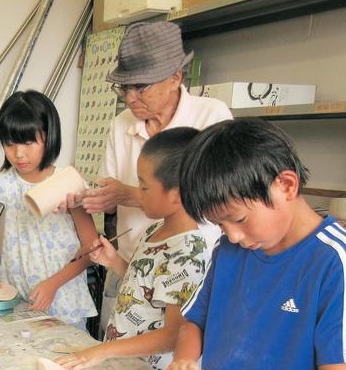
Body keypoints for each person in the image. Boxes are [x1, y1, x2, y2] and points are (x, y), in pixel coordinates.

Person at [165, 119, 346, 370]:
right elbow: (193, 323)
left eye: (240, 219)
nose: (231, 235)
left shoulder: (338, 260)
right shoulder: (230, 252)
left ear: (286, 186)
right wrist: (185, 363)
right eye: (219, 225)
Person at [61, 22, 232, 337]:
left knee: (171, 352)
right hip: (133, 264)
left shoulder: (211, 117)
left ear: (175, 78)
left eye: (141, 87)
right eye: (124, 88)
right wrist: (93, 199)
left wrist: (128, 195)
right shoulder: (121, 124)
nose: (130, 98)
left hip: (189, 272)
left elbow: (215, 201)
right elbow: (109, 190)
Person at [57, 128, 210, 370]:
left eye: (144, 187)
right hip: (123, 365)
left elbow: (174, 336)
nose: (137, 194)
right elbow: (146, 286)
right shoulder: (156, 230)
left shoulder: (187, 254)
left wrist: (103, 350)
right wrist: (114, 261)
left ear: (177, 194)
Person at [0, 90, 97, 327]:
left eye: (28, 142)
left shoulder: (68, 183)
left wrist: (54, 283)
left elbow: (91, 249)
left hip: (65, 301)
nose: (18, 154)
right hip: (19, 297)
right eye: (9, 144)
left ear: (49, 136)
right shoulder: (5, 181)